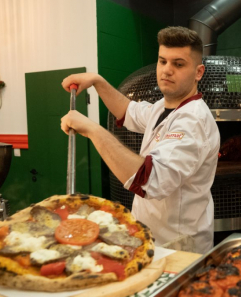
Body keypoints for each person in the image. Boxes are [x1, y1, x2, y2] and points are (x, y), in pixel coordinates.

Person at [60, 26, 220, 253]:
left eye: (179, 64)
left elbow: (149, 179)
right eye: (162, 61)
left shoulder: (193, 121)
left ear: (198, 72)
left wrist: (92, 130)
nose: (167, 70)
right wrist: (97, 81)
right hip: (152, 238)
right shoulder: (162, 108)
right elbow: (127, 110)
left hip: (178, 246)